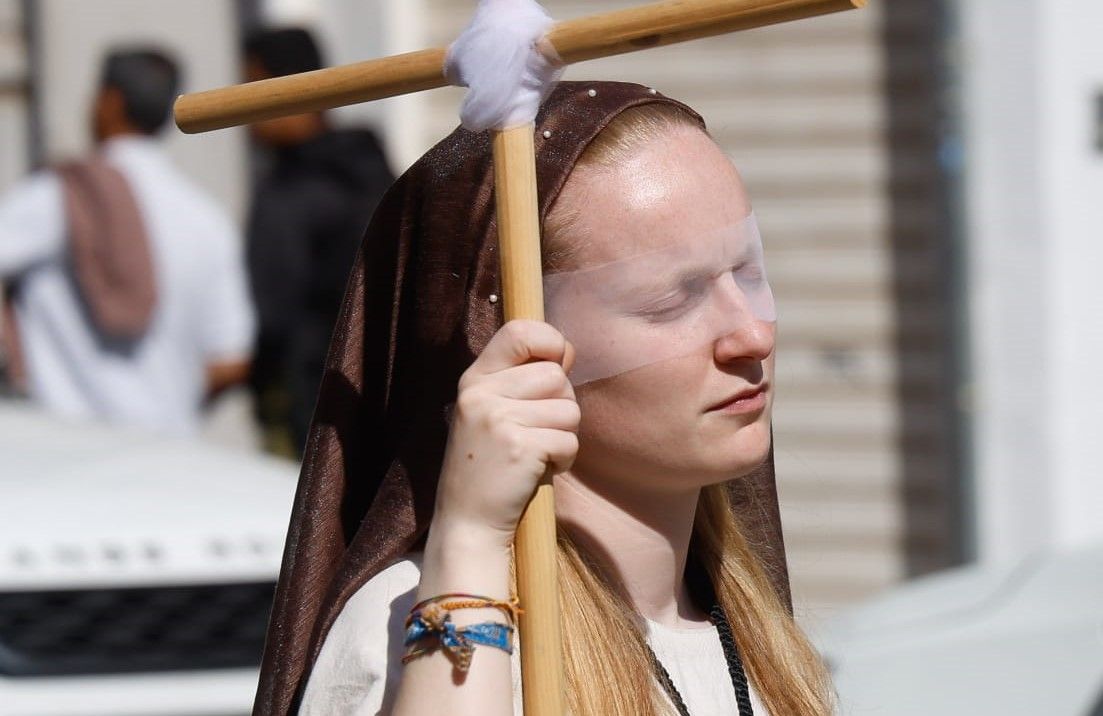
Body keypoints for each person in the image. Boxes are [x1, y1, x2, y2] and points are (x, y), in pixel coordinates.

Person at [253, 82, 834, 715]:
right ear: (515, 345)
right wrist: (470, 543)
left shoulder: (752, 641)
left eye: (748, 274)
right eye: (673, 300)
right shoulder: (409, 631)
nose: (750, 334)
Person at [0, 48, 254, 435]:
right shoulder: (207, 220)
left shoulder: (56, 197)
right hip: (168, 456)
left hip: (65, 453)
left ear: (109, 100)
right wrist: (167, 400)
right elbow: (230, 359)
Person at [242, 27, 395, 456]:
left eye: (250, 88)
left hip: (314, 406)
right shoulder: (372, 169)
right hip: (386, 397)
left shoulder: (292, 191)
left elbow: (276, 312)